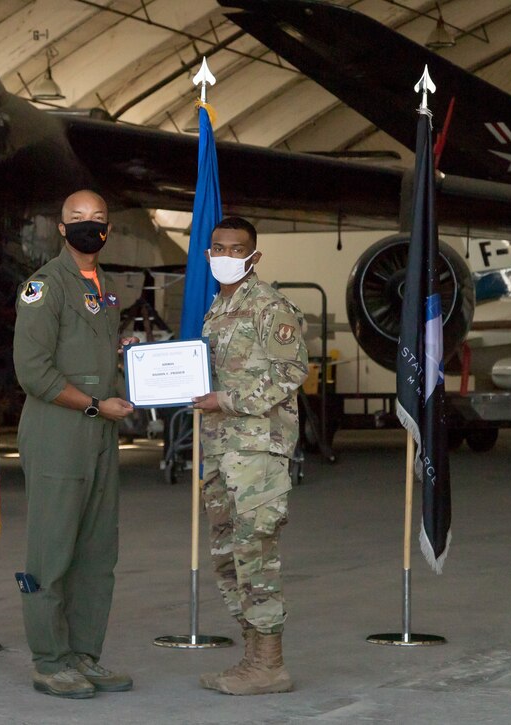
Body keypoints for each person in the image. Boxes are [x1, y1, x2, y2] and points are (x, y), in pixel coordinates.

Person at [13, 189, 138, 699]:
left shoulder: (105, 287)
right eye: (78, 218)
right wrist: (92, 404)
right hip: (60, 432)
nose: (90, 225)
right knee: (53, 549)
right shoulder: (44, 286)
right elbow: (33, 371)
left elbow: (94, 354)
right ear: (61, 229)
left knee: (96, 551)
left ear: (108, 228)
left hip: (101, 433)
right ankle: (49, 659)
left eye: (98, 218)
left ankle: (84, 654)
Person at [191, 216, 308, 696]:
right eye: (218, 247)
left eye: (237, 249)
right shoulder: (218, 309)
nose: (226, 255)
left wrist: (227, 401)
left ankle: (271, 664)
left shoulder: (268, 304)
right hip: (221, 449)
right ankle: (253, 656)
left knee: (256, 553)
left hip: (257, 452)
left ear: (254, 256)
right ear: (207, 253)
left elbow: (292, 371)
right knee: (226, 555)